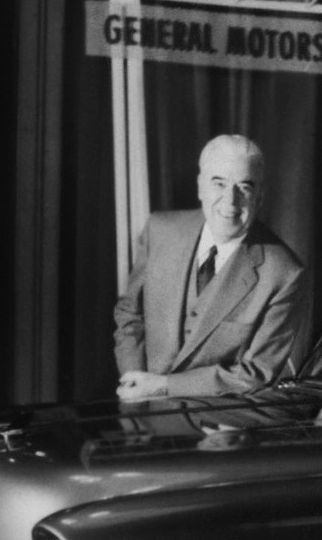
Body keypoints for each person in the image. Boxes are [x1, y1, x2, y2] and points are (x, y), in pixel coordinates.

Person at [113, 134, 309, 400]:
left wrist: (164, 386)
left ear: (260, 196)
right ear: (200, 187)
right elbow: (129, 314)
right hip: (140, 405)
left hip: (215, 417)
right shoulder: (159, 230)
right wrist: (134, 379)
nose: (230, 201)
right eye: (219, 184)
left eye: (244, 187)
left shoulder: (284, 273)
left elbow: (256, 373)